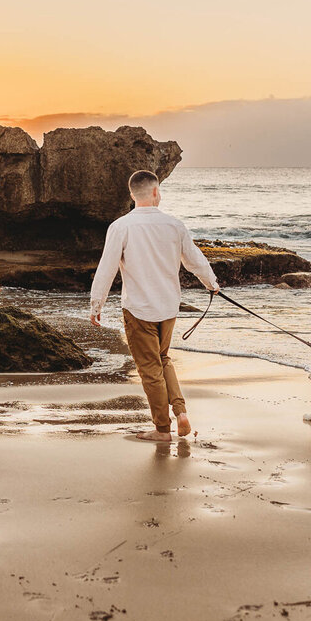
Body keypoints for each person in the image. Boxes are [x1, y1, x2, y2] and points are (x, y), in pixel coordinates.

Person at [89, 170, 220, 442]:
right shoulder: (174, 225)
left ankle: (162, 430)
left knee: (150, 370)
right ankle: (180, 413)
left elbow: (107, 268)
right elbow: (195, 260)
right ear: (156, 192)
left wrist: (96, 304)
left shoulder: (121, 226)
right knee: (162, 359)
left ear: (132, 195)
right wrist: (212, 284)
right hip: (169, 307)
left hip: (138, 309)